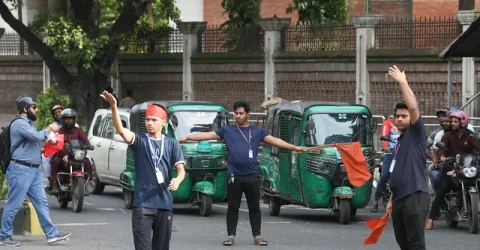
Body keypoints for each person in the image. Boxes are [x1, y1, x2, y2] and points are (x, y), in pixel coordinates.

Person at [178, 100, 306, 247]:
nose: (237, 116)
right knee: (233, 206)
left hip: (252, 175)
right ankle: (230, 236)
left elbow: (275, 140)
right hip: (234, 175)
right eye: (236, 114)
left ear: (248, 114)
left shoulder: (257, 132)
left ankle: (257, 236)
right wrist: (188, 137)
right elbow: (207, 135)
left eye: (241, 113)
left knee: (254, 207)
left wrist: (293, 147)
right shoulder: (227, 130)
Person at [101, 90, 186, 250]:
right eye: (147, 119)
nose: (149, 123)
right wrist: (113, 106)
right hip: (143, 205)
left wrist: (178, 180)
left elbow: (181, 170)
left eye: (154, 120)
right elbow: (121, 130)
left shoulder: (172, 144)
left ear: (163, 122)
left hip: (164, 204)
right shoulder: (139, 140)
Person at [0, 96, 71, 247]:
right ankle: (4, 235)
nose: (36, 110)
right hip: (20, 169)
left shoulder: (28, 124)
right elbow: (36, 136)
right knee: (14, 203)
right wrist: (49, 129)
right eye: (33, 107)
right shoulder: (19, 123)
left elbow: (32, 143)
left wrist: (46, 146)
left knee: (42, 202)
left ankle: (51, 234)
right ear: (25, 109)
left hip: (32, 171)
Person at [386, 66, 430, 250]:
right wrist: (390, 200)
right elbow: (397, 172)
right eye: (397, 117)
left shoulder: (416, 133)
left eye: (404, 116)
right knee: (403, 243)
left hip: (415, 195)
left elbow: (412, 106)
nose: (400, 119)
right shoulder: (401, 141)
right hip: (399, 199)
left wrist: (403, 82)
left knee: (415, 244)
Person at [425, 110, 480, 230]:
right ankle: (431, 219)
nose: (452, 123)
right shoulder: (447, 136)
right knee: (442, 190)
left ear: (463, 122)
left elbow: (477, 147)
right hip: (451, 168)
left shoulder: (470, 136)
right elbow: (441, 149)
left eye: (455, 121)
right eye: (452, 121)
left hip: (467, 168)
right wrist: (443, 157)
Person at [49, 109, 94, 194]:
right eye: (66, 119)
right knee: (56, 162)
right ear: (62, 120)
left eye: (71, 119)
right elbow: (55, 142)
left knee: (87, 162)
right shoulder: (59, 131)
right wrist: (55, 144)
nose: (69, 121)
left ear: (74, 120)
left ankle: (89, 182)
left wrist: (89, 145)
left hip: (76, 154)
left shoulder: (78, 130)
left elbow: (84, 139)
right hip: (63, 154)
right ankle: (55, 184)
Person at [371, 113, 399, 212]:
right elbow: (384, 135)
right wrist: (386, 145)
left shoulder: (407, 125)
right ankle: (375, 201)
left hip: (400, 154)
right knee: (384, 176)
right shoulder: (388, 123)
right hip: (389, 154)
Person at [428, 112, 452, 194]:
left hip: (457, 164)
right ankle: (438, 195)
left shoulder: (459, 133)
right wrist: (435, 162)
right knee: (435, 175)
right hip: (442, 163)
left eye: (448, 121)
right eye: (443, 121)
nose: (445, 123)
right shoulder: (438, 135)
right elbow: (435, 152)